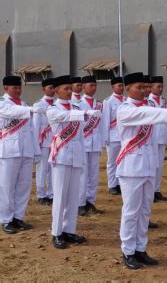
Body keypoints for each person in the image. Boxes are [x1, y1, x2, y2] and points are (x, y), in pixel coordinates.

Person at [116, 72, 167, 269]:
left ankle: (140, 249)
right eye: (140, 87)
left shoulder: (150, 108)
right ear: (128, 88)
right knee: (131, 211)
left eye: (146, 87)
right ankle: (128, 251)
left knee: (145, 211)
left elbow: (153, 136)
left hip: (148, 165)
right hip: (131, 167)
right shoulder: (124, 109)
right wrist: (166, 113)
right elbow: (141, 116)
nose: (144, 90)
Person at [46, 75, 101, 249]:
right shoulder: (53, 109)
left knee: (73, 196)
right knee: (60, 196)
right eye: (66, 88)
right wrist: (85, 113)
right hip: (61, 156)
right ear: (56, 91)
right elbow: (66, 116)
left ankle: (69, 230)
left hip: (77, 155)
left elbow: (81, 129)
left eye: (71, 88)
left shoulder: (76, 106)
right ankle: (56, 233)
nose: (70, 91)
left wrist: (84, 112)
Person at [0, 75, 42, 234]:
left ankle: (18, 217)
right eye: (14, 88)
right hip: (9, 151)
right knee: (6, 187)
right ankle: (5, 219)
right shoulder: (3, 103)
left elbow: (32, 130)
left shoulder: (24, 104)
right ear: (6, 88)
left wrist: (36, 151)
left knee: (24, 186)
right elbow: (12, 113)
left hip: (26, 150)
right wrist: (31, 109)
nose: (18, 91)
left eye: (19, 88)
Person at [78, 76, 105, 216]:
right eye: (90, 85)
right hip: (83, 143)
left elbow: (103, 125)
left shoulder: (99, 104)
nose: (93, 88)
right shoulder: (77, 104)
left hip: (95, 143)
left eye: (95, 85)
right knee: (83, 174)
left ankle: (91, 202)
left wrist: (102, 142)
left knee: (94, 175)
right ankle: (80, 204)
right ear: (83, 87)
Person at [32, 78, 56, 206]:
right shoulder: (39, 105)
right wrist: (36, 144)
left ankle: (51, 194)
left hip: (55, 141)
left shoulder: (57, 104)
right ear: (44, 89)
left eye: (54, 88)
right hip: (43, 141)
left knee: (53, 169)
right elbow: (35, 126)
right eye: (50, 88)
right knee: (42, 169)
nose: (52, 90)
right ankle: (41, 195)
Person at [147, 76, 167, 202]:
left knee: (160, 165)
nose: (161, 89)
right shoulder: (148, 101)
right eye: (158, 86)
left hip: (161, 136)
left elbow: (166, 120)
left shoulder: (163, 101)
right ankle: (150, 191)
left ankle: (156, 190)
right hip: (151, 137)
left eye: (162, 86)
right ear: (151, 87)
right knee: (152, 165)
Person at [102, 76, 125, 195]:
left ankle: (120, 183)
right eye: (119, 86)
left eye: (122, 85)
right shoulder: (108, 101)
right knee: (112, 162)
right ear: (113, 87)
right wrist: (105, 138)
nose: (121, 88)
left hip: (124, 137)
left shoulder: (126, 100)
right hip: (113, 136)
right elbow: (105, 120)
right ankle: (112, 185)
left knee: (122, 161)